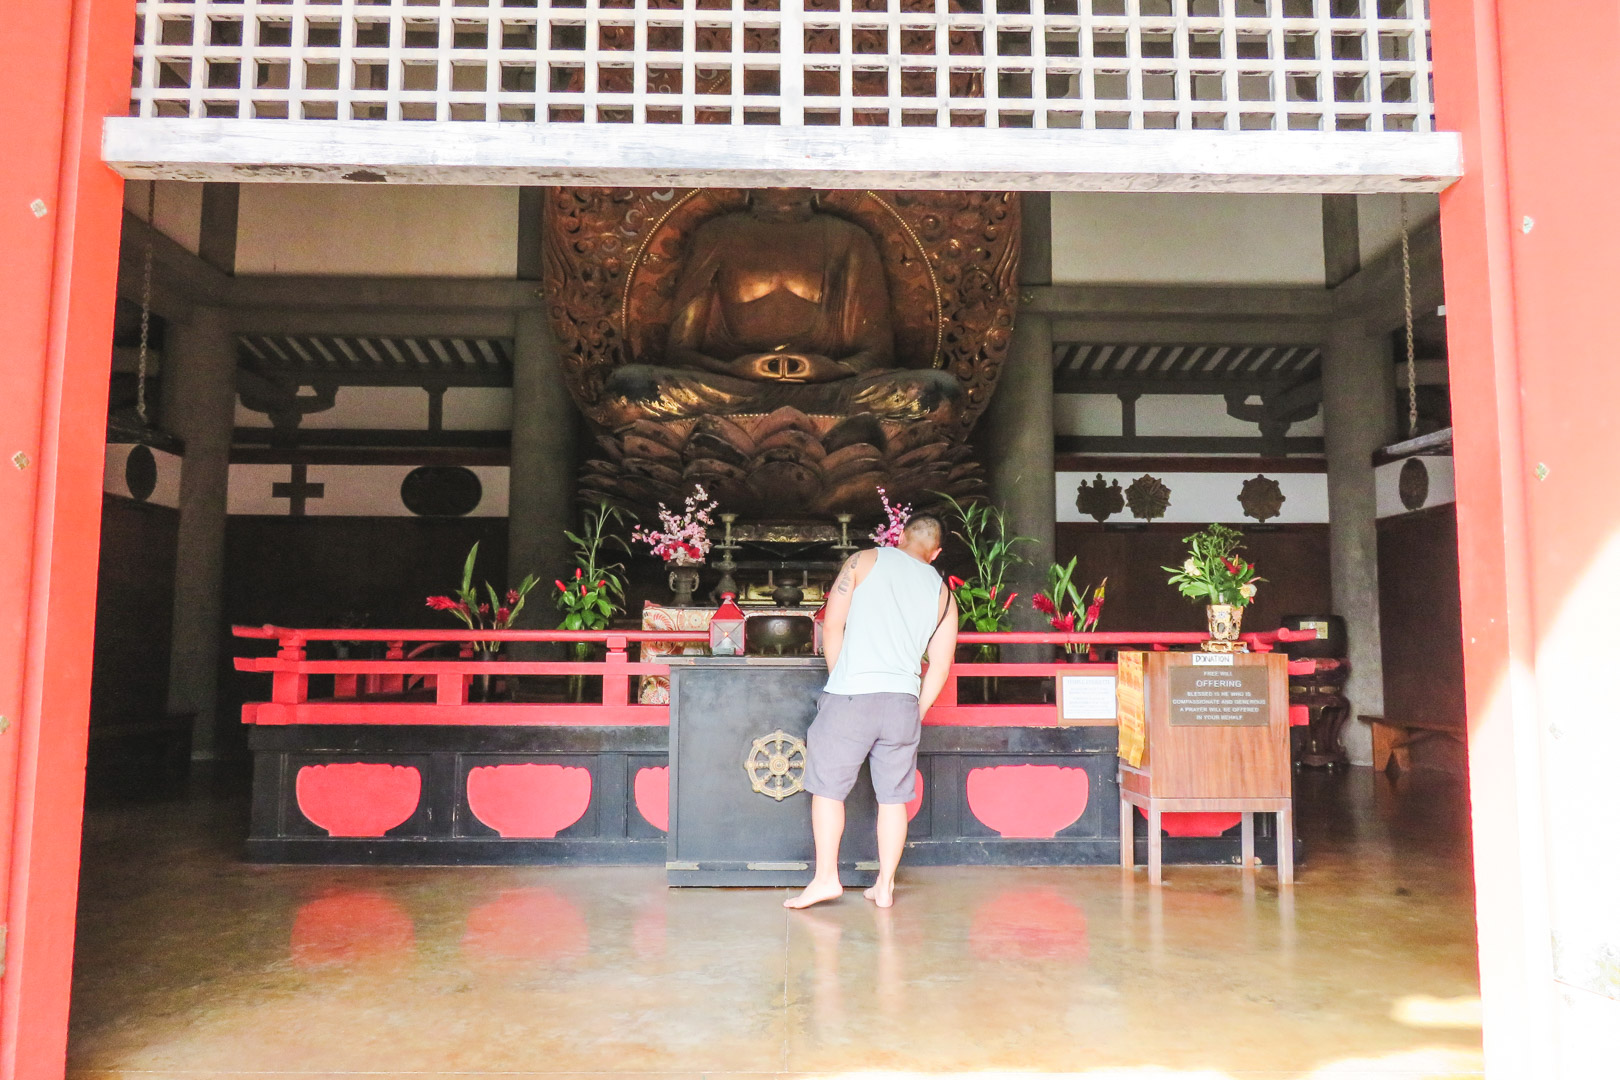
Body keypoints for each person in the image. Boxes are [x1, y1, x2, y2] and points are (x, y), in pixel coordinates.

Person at [784, 513, 958, 910]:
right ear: (936, 552)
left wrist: (840, 681)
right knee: (893, 799)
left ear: (899, 537)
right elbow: (941, 665)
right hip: (901, 703)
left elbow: (832, 627)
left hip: (851, 695)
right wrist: (916, 708)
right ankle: (884, 885)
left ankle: (827, 878)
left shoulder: (863, 561)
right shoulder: (945, 596)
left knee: (828, 791)